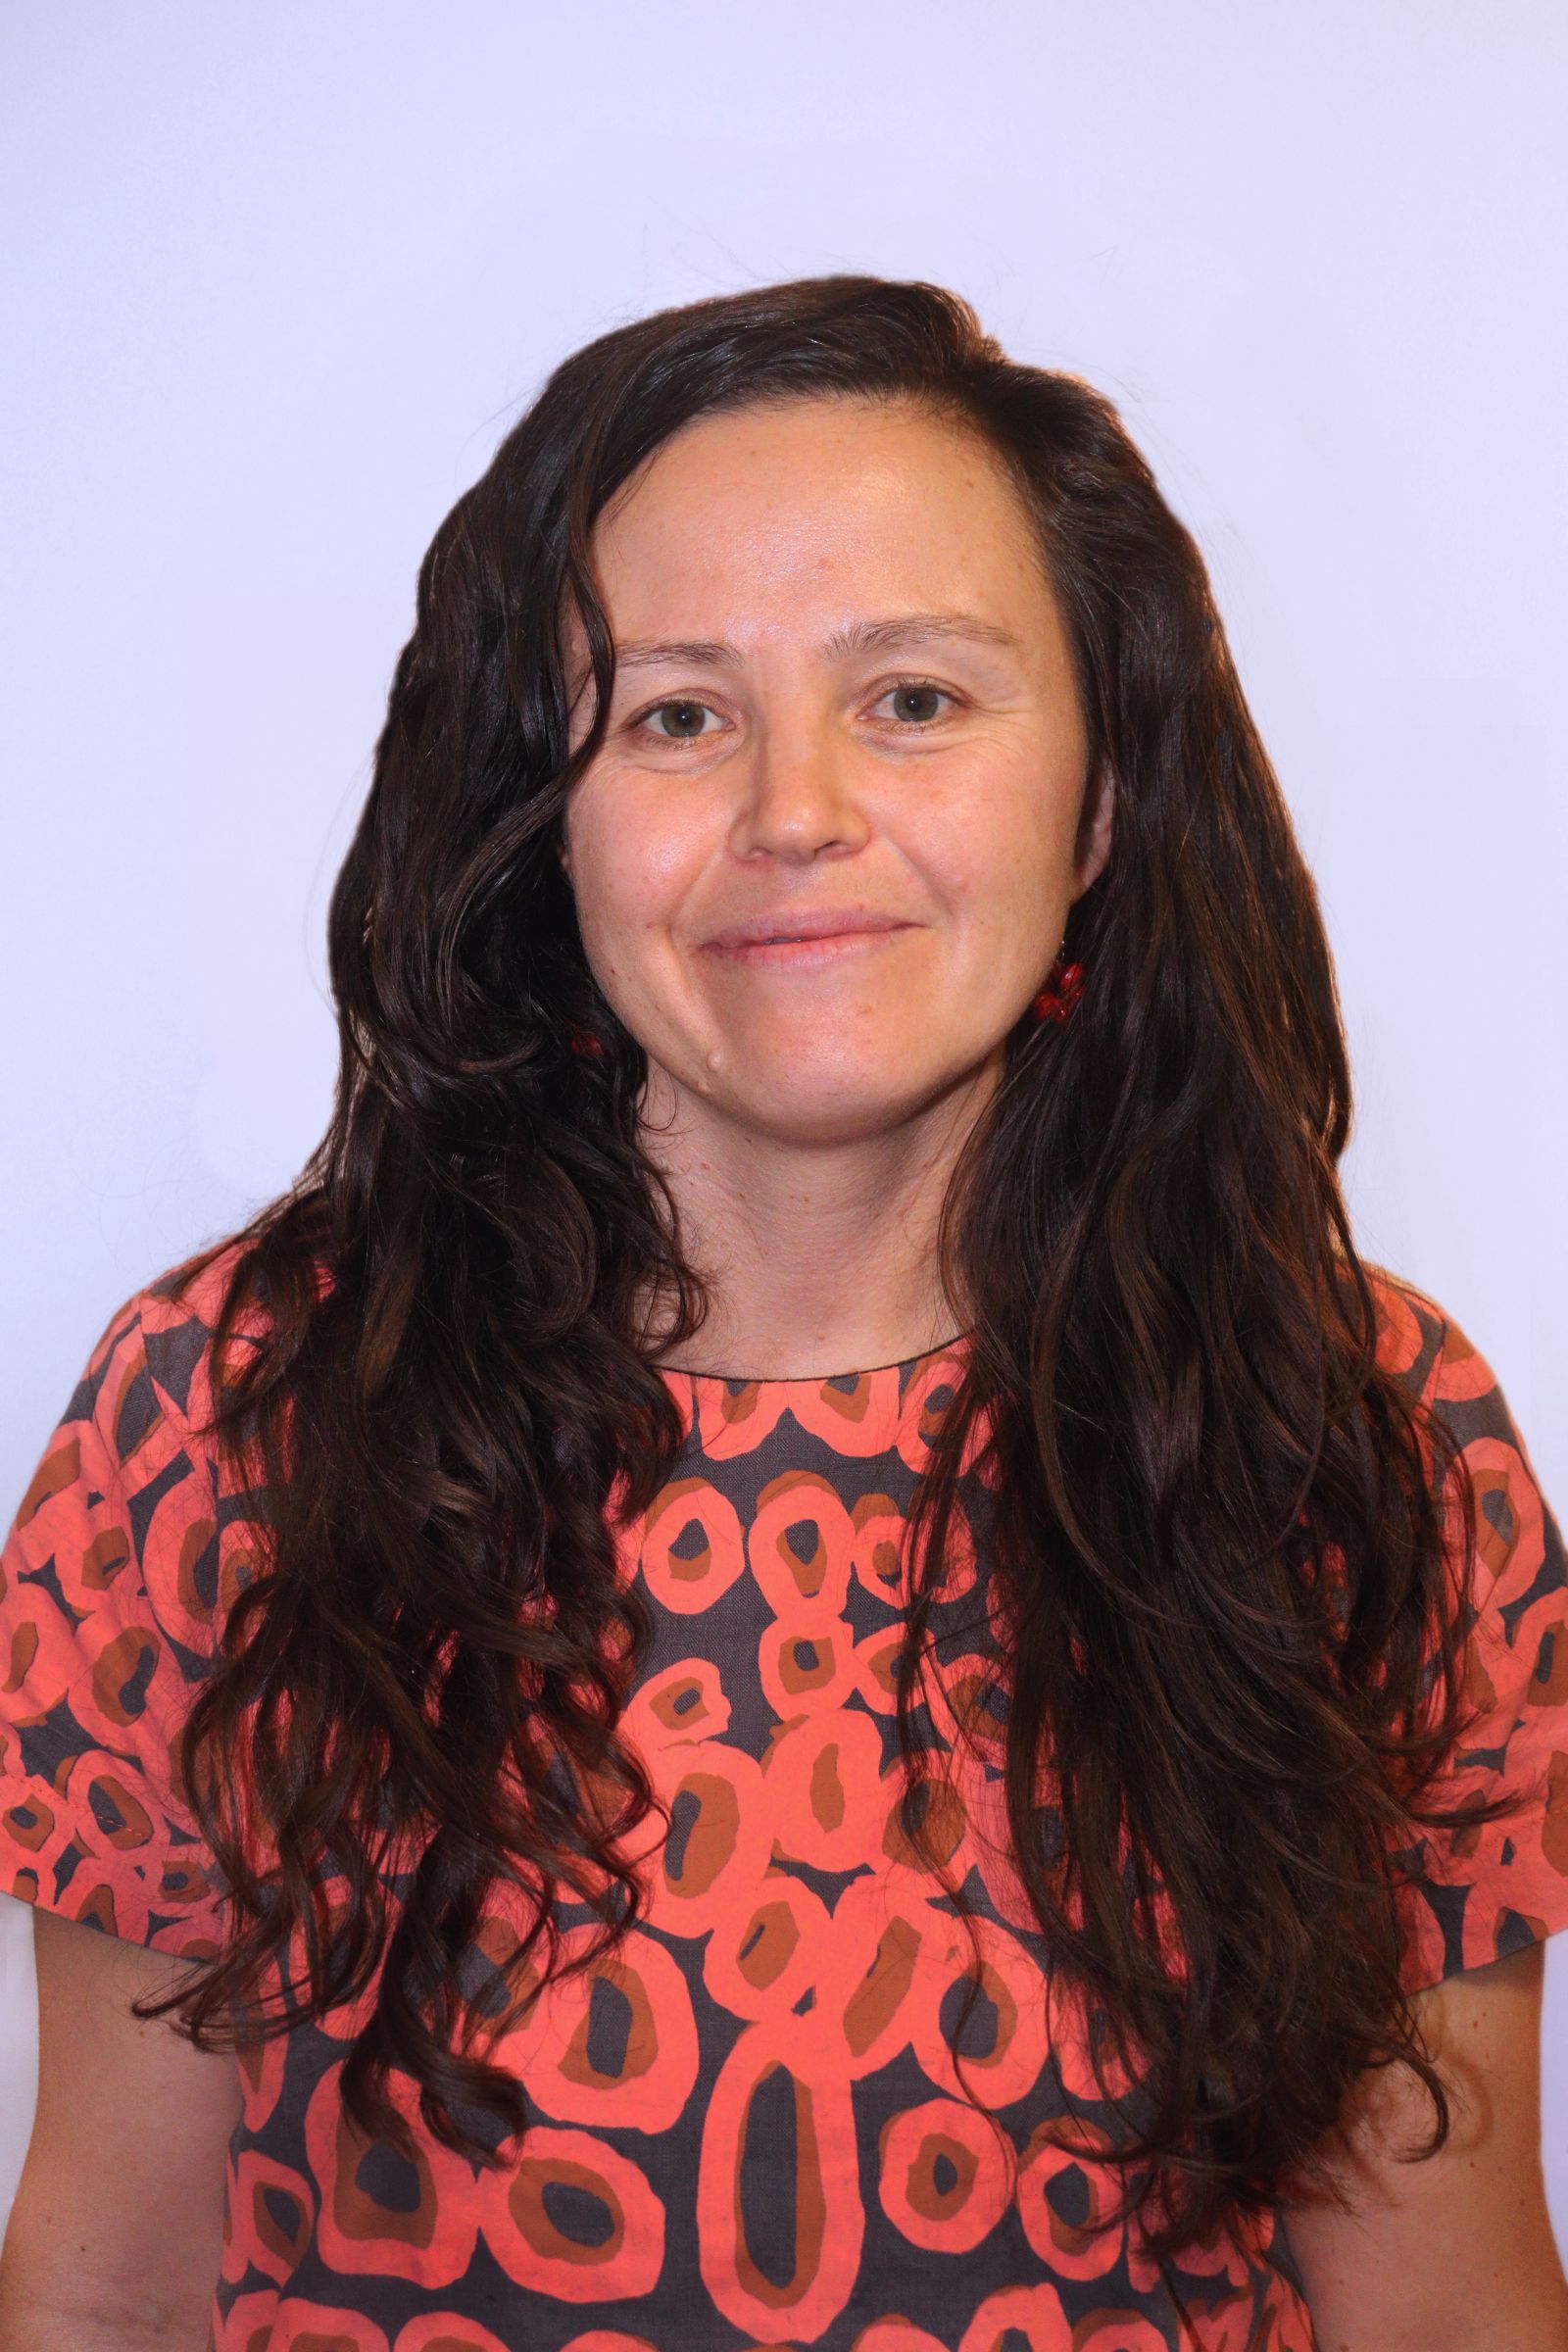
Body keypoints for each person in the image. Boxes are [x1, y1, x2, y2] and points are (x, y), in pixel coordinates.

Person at [0, 274, 1564, 2352]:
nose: (796, 809)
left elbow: (1445, 2316)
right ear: (540, 820)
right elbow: (105, 2296)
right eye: (675, 716)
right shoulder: (229, 1421)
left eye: (913, 696)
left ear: (1099, 798)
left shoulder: (1348, 1437)